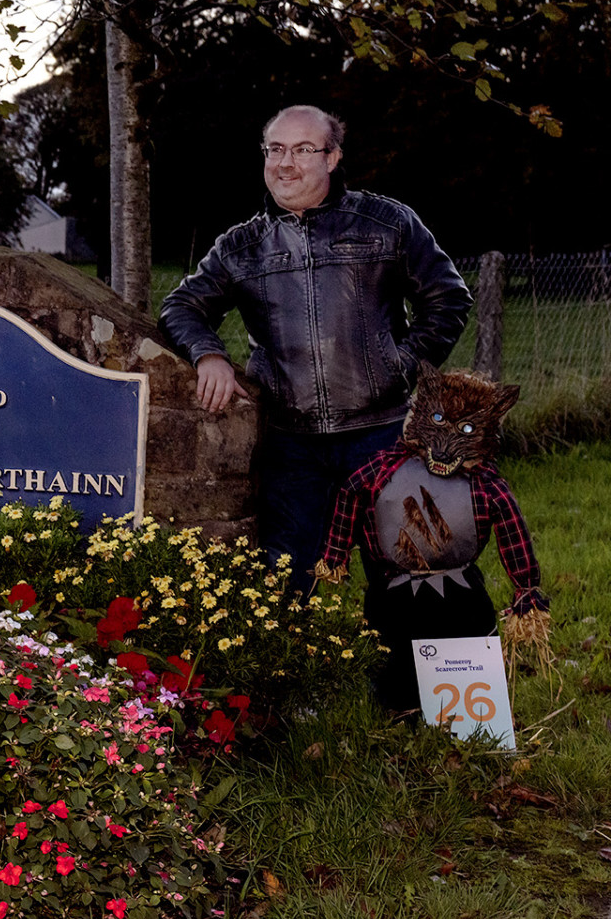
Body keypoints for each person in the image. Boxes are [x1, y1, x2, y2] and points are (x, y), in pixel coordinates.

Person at [158, 105, 471, 589]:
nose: (285, 163)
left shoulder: (386, 223)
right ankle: (290, 667)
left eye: (303, 150)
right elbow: (181, 306)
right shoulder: (241, 246)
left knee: (409, 572)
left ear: (332, 157)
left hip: (382, 433)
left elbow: (447, 298)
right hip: (290, 443)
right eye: (275, 150)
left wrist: (403, 365)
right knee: (283, 581)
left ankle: (406, 666)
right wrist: (210, 354)